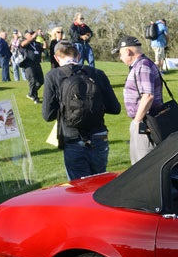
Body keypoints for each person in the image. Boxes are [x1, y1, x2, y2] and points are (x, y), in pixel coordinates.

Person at [42, 41, 122, 180]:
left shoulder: (53, 76)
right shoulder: (97, 73)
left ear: (56, 57)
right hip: (99, 135)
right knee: (100, 184)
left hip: (72, 136)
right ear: (78, 55)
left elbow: (47, 115)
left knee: (79, 189)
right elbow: (115, 108)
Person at [116, 35, 163, 164]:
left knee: (144, 167)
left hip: (145, 123)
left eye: (120, 54)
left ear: (127, 51)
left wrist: (136, 122)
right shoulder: (143, 64)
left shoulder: (142, 66)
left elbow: (148, 96)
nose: (121, 58)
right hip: (144, 121)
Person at [18, 30, 44, 104]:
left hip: (37, 63)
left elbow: (44, 47)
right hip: (28, 64)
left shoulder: (36, 43)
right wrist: (34, 36)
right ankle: (35, 98)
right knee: (32, 80)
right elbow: (23, 44)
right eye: (30, 34)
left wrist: (43, 38)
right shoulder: (24, 41)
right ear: (26, 35)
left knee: (41, 81)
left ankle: (31, 93)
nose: (33, 35)